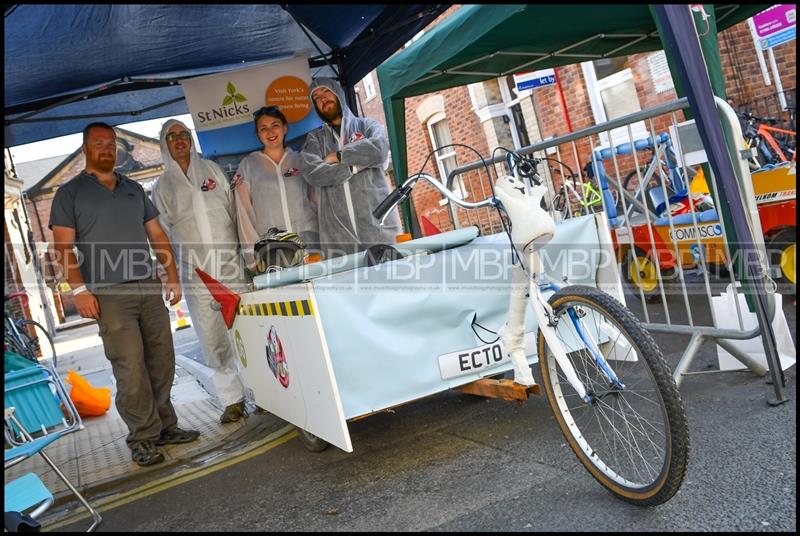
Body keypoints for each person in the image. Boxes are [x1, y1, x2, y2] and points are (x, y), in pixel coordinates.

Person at [49, 122, 200, 467]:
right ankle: (143, 437)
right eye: (99, 143)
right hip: (109, 294)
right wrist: (80, 291)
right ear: (85, 149)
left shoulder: (133, 189)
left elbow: (157, 235)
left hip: (148, 285)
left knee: (162, 360)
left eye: (111, 143)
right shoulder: (69, 194)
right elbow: (63, 247)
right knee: (130, 367)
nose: (107, 149)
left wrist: (172, 276)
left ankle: (165, 426)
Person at [151, 119, 249, 424]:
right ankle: (233, 401)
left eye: (183, 134)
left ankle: (266, 392)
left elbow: (234, 212)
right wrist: (173, 275)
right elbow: (162, 234)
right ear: (164, 144)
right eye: (172, 137)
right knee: (212, 337)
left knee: (246, 329)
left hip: (231, 265)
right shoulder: (162, 187)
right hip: (196, 273)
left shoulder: (212, 170)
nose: (179, 140)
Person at [299, 78, 401, 258]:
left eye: (326, 92)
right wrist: (353, 168)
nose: (323, 99)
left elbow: (379, 150)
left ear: (338, 93)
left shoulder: (367, 125)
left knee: (393, 280)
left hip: (379, 228)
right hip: (338, 239)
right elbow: (312, 172)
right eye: (317, 98)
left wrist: (338, 156)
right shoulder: (315, 139)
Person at [233, 106, 319, 269]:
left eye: (275, 125)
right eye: (263, 128)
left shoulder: (301, 160)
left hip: (310, 245)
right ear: (258, 135)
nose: (270, 132)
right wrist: (252, 258)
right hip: (273, 252)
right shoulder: (248, 166)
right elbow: (243, 214)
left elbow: (316, 199)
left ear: (285, 128)